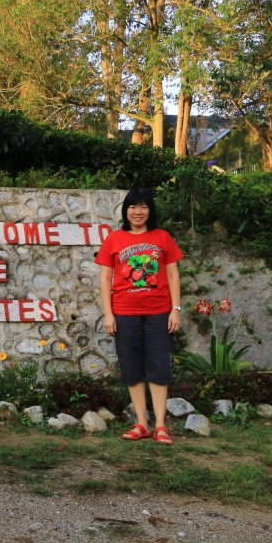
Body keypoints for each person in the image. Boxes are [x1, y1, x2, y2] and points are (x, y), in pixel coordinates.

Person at [95, 187, 184, 444]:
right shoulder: (114, 239)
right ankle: (141, 423)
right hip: (124, 313)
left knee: (158, 367)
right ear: (126, 210)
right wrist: (108, 315)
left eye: (144, 206)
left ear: (150, 211)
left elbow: (173, 275)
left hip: (159, 313)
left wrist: (175, 310)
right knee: (132, 369)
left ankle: (160, 425)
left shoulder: (162, 237)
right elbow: (105, 279)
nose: (138, 211)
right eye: (133, 206)